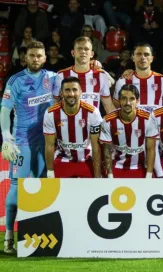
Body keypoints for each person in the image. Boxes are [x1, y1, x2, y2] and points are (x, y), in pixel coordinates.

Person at [1, 41, 60, 254]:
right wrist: (6, 138)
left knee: (46, 188)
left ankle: (45, 236)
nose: (35, 59)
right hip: (22, 143)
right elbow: (5, 110)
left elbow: (78, 85)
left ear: (45, 58)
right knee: (17, 188)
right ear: (25, 58)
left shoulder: (53, 78)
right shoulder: (16, 80)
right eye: (32, 55)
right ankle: (9, 237)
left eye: (39, 56)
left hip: (46, 143)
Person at [43, 76, 103, 178]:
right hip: (63, 159)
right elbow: (49, 145)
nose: (71, 94)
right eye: (67, 90)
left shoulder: (93, 112)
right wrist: (50, 172)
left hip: (87, 159)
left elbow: (96, 146)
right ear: (61, 93)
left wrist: (97, 175)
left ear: (80, 92)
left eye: (75, 90)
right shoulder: (50, 113)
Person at [100, 84, 156, 178]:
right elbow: (107, 151)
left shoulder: (147, 118)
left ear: (137, 101)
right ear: (119, 100)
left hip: (140, 168)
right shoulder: (108, 120)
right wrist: (110, 176)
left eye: (132, 99)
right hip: (117, 167)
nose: (128, 103)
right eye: (124, 98)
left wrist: (149, 176)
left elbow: (151, 149)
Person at [55, 37, 115, 114]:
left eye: (86, 49)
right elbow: (55, 104)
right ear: (73, 53)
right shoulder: (61, 75)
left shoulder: (101, 75)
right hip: (68, 124)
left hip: (93, 124)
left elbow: (108, 106)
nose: (83, 51)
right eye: (79, 49)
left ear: (92, 54)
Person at [113, 43, 163, 113]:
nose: (143, 57)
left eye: (146, 54)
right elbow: (117, 106)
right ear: (133, 58)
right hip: (132, 123)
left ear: (152, 58)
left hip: (156, 123)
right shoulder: (123, 81)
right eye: (139, 54)